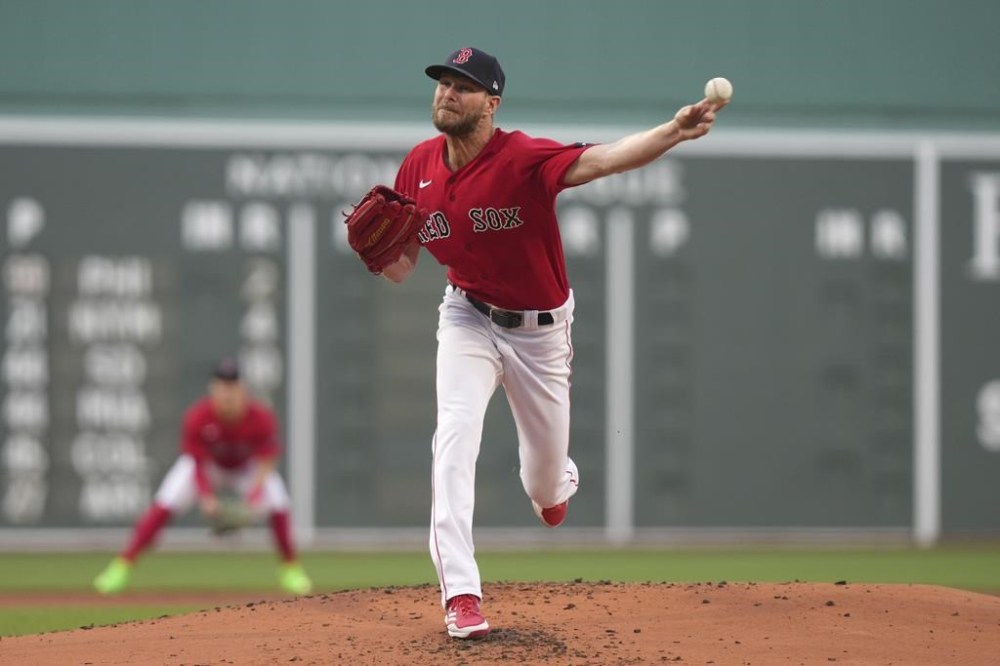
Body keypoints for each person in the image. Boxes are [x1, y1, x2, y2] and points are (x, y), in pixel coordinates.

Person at [382, 46, 725, 639]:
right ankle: (461, 595)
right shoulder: (417, 166)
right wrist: (379, 251)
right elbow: (402, 267)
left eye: (462, 86)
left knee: (542, 485)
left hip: (541, 333)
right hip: (466, 317)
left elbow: (603, 161)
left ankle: (554, 483)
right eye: (442, 82)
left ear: (491, 103)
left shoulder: (520, 157)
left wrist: (672, 131)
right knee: (454, 436)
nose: (446, 93)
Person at [93, 358, 312, 596]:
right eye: (222, 386)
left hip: (247, 469)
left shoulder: (260, 417)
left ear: (243, 389)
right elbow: (197, 462)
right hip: (209, 467)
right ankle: (122, 566)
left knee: (279, 503)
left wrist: (254, 496)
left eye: (233, 386)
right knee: (165, 503)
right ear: (213, 389)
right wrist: (206, 497)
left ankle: (291, 569)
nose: (227, 392)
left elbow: (267, 460)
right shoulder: (198, 416)